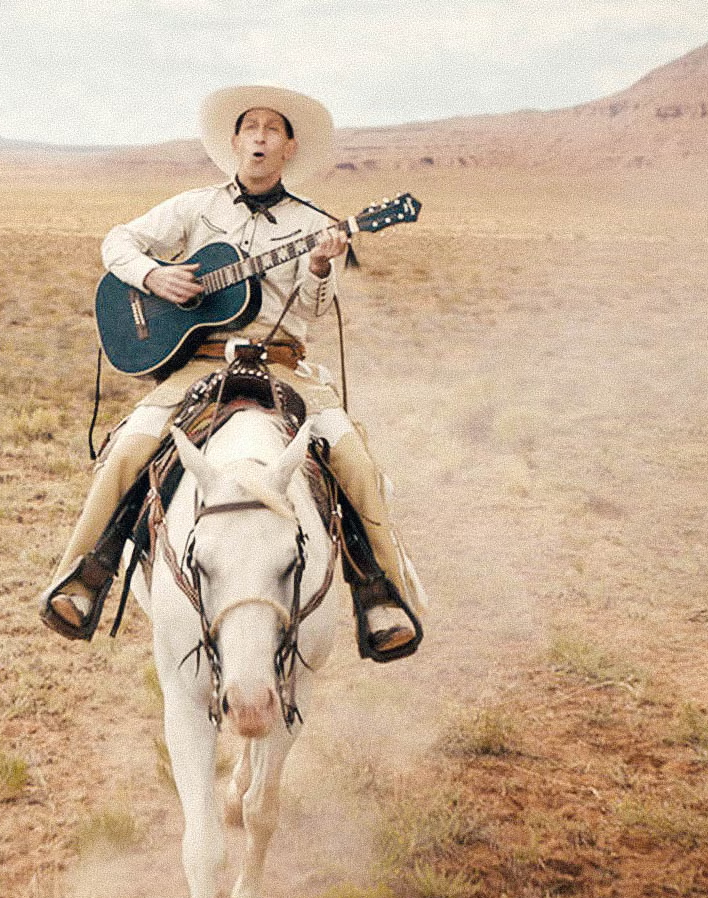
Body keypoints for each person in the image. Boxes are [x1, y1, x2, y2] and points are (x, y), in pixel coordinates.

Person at [39, 84, 425, 660]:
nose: (262, 138)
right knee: (126, 452)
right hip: (197, 364)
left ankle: (380, 595)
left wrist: (320, 265)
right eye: (252, 128)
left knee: (355, 461)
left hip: (283, 367)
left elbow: (315, 314)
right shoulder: (196, 208)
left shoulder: (315, 223)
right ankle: (83, 578)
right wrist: (153, 277)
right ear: (237, 142)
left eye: (275, 130)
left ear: (290, 148)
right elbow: (116, 242)